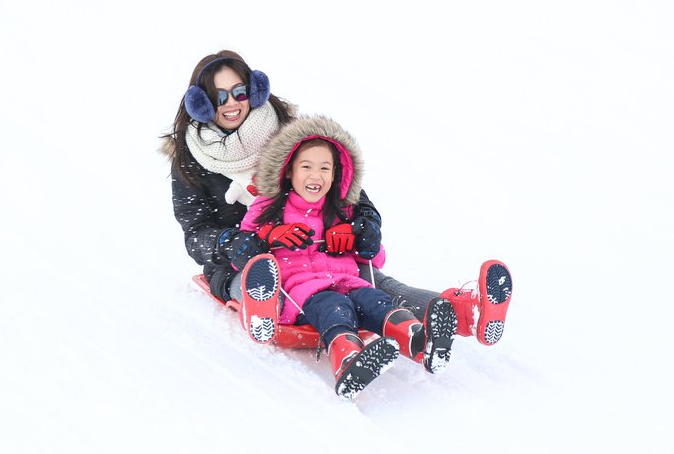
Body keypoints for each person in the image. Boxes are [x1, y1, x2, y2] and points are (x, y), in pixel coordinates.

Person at [159, 51, 513, 348]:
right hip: (242, 260)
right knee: (257, 278)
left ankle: (466, 311)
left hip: (317, 250)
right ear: (202, 105)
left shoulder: (289, 135)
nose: (232, 103)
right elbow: (196, 231)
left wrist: (362, 224)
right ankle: (262, 307)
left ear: (254, 91)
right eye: (220, 97)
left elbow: (348, 189)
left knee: (378, 285)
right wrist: (237, 242)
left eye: (238, 92)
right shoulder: (191, 160)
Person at [236, 115, 459, 398]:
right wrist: (268, 236)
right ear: (289, 171)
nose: (315, 176)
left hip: (348, 280)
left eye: (324, 168)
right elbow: (242, 251)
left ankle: (418, 341)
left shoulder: (343, 209)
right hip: (304, 292)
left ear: (335, 174)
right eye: (306, 167)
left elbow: (375, 261)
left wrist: (357, 238)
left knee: (377, 302)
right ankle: (348, 361)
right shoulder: (268, 206)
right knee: (335, 309)